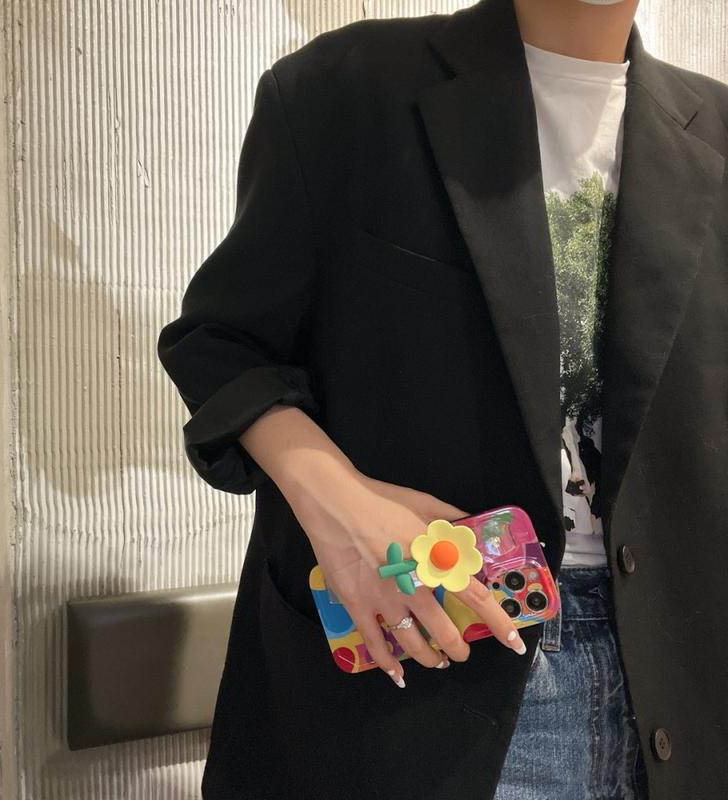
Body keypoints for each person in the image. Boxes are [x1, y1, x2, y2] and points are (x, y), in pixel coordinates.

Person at [157, 0, 728, 798]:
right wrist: (340, 502)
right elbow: (222, 344)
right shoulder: (346, 89)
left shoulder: (715, 131)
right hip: (416, 688)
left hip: (686, 698)